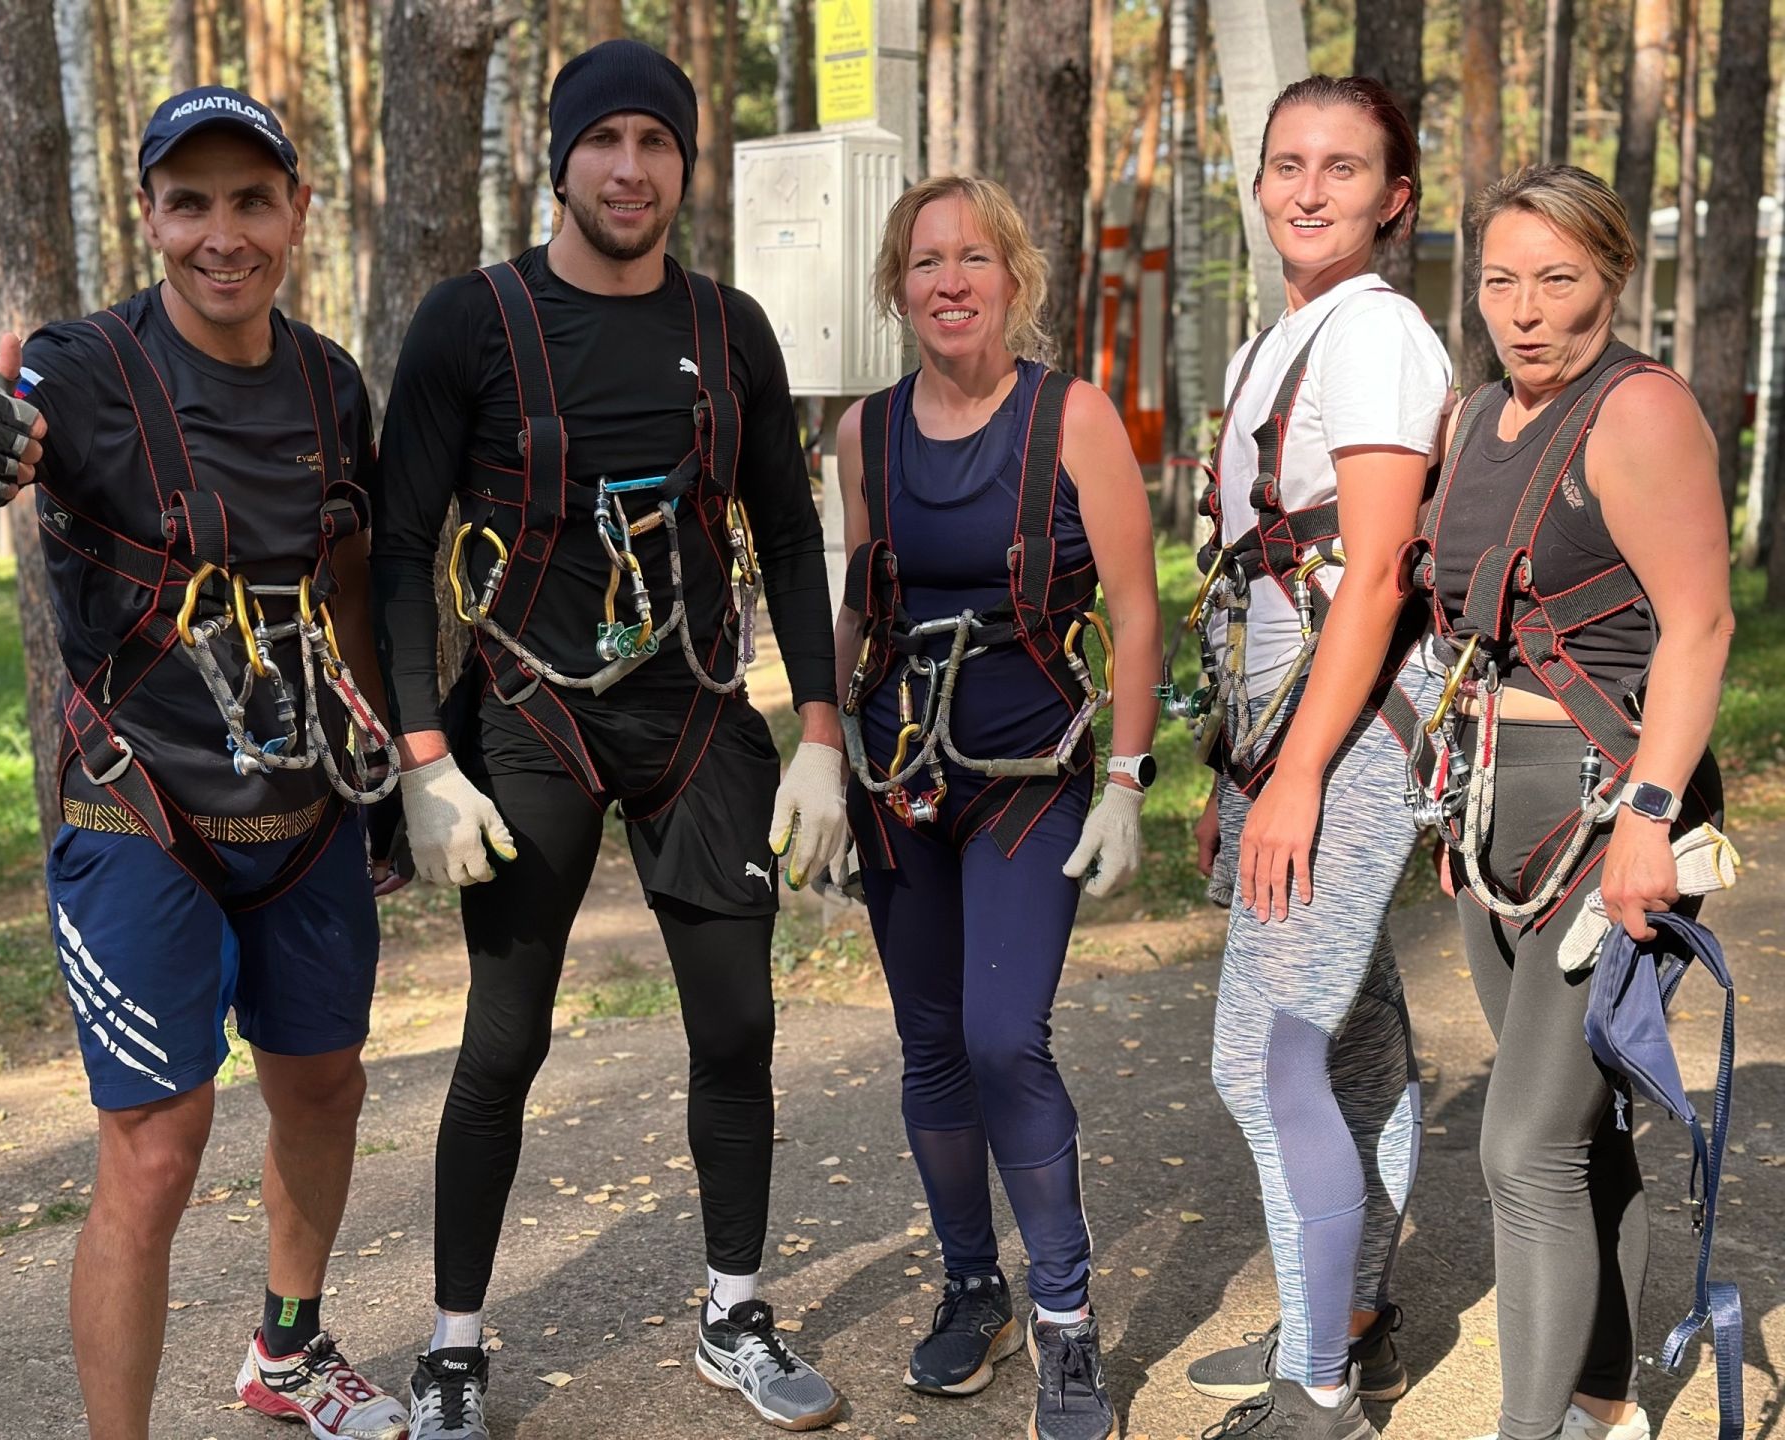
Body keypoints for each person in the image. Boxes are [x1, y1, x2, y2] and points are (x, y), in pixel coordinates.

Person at [0, 89, 408, 1440]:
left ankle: (287, 1353)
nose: (221, 236)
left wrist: (396, 761)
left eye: (250, 202)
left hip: (305, 807)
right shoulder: (81, 366)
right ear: (149, 217)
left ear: (294, 214)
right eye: (190, 204)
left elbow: (348, 571)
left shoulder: (331, 382)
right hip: (140, 811)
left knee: (325, 1086)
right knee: (155, 1148)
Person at [371, 39, 849, 1439]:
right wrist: (423, 761)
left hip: (699, 714)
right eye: (606, 141)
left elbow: (789, 523)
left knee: (741, 1029)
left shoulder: (731, 326)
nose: (630, 168)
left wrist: (818, 727)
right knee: (503, 1042)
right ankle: (455, 1348)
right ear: (562, 158)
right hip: (529, 722)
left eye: (658, 142)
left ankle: (734, 1312)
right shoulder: (471, 323)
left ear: (683, 165)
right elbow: (403, 548)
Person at [835, 173, 1162, 1440]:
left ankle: (1068, 1322)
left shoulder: (1071, 418)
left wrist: (1127, 782)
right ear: (897, 288)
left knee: (1002, 1038)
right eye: (924, 262)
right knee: (929, 1043)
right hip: (901, 779)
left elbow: (1135, 613)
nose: (950, 281)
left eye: (974, 257)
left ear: (1014, 278)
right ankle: (976, 1287)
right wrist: (821, 744)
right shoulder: (864, 435)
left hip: (1033, 776)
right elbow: (859, 602)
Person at [1415, 165, 1730, 1440]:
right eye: (1502, 279)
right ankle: (1607, 1409)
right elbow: (1467, 641)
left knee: (1521, 1152)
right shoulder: (1475, 418)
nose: (1527, 310)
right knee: (1580, 1138)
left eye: (1559, 279)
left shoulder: (1640, 412)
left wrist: (1650, 817)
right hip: (1492, 806)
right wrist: (1456, 804)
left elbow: (1700, 627)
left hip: (1604, 806)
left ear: (1613, 277)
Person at [1174, 77, 1452, 1440]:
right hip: (1287, 744)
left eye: (1345, 169)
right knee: (1351, 1056)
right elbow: (1265, 581)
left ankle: (1322, 1395)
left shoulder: (1379, 337)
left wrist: (1294, 777)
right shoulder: (1274, 346)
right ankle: (1338, 1323)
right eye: (1289, 162)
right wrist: (1242, 776)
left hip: (1347, 747)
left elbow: (1383, 566)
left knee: (1264, 1059)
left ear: (1393, 200)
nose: (1309, 188)